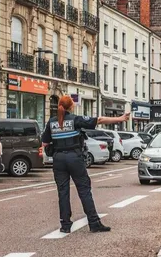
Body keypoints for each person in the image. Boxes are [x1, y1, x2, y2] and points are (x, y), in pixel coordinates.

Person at [42, 95, 130, 233]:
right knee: (84, 190)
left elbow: (45, 143)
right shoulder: (75, 119)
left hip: (58, 159)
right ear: (71, 106)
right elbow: (99, 120)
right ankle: (94, 222)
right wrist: (120, 118)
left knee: (62, 192)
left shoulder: (51, 122)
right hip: (74, 158)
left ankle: (65, 225)